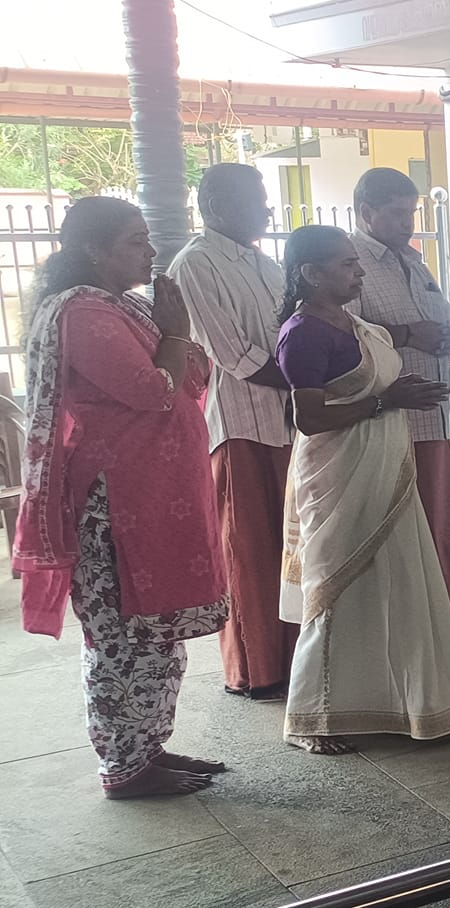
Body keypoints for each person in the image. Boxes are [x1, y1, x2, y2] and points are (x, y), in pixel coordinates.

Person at [14, 196, 229, 798]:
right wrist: (177, 334)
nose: (151, 251)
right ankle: (124, 766)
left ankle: (147, 749)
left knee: (157, 634)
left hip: (153, 497)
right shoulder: (83, 313)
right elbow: (152, 389)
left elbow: (190, 378)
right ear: (93, 250)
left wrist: (171, 338)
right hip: (115, 507)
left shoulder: (126, 308)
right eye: (135, 241)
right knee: (121, 637)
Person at [274, 225, 450, 754]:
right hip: (340, 474)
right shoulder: (304, 333)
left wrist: (398, 395)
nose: (359, 271)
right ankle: (314, 717)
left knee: (397, 579)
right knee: (337, 588)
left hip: (385, 468)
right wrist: (389, 401)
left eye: (355, 263)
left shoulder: (356, 325)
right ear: (310, 274)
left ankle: (409, 700)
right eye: (345, 265)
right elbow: (312, 418)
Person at [166, 163, 298, 700]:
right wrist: (304, 377)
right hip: (239, 423)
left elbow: (292, 331)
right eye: (255, 200)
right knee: (247, 546)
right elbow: (234, 355)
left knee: (288, 545)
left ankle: (293, 657)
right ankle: (254, 667)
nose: (266, 209)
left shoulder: (266, 265)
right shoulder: (195, 264)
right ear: (217, 206)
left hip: (287, 420)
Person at [348, 168, 450, 613]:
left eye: (411, 213)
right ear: (366, 212)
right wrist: (407, 333)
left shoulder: (413, 260)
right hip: (390, 417)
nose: (407, 223)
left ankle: (441, 618)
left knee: (439, 523)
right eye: (397, 214)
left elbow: (438, 317)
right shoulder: (351, 262)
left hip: (432, 416)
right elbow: (347, 334)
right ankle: (408, 623)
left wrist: (448, 335)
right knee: (399, 527)